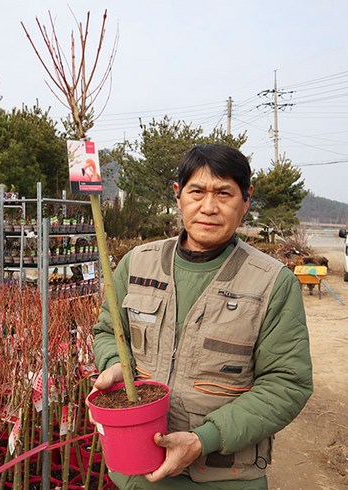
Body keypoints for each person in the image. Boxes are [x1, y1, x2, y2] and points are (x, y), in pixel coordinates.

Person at [91, 143, 313, 489]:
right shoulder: (138, 263)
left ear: (246, 200)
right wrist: (115, 365)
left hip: (225, 475)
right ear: (178, 196)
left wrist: (202, 439)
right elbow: (107, 331)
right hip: (136, 471)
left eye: (224, 193)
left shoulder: (272, 282)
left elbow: (287, 383)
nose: (209, 207)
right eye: (197, 192)